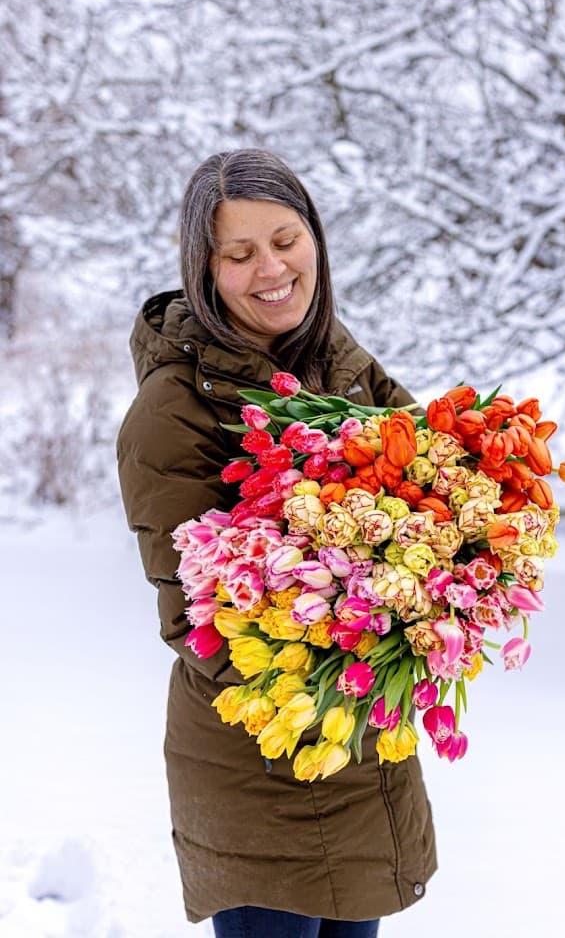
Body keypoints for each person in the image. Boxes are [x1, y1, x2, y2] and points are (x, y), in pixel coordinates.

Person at [116, 149, 437, 938]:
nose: (272, 268)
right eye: (239, 253)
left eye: (286, 239)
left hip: (361, 759)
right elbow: (198, 620)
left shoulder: (337, 362)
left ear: (315, 239)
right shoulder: (174, 410)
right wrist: (351, 649)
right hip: (261, 770)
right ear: (205, 268)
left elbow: (434, 482)